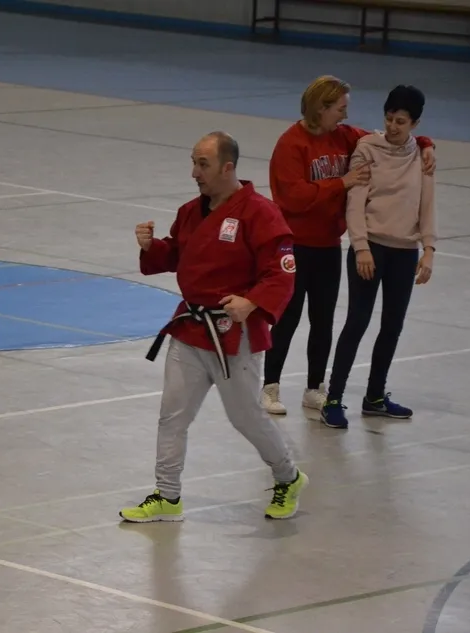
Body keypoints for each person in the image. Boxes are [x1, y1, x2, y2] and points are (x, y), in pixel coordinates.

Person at [119, 131, 307, 523]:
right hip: (191, 329)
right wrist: (152, 247)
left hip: (232, 335)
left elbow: (282, 273)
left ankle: (288, 476)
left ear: (228, 167)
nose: (194, 173)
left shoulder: (260, 212)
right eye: (193, 163)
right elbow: (179, 254)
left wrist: (252, 302)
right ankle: (167, 495)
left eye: (202, 164)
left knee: (245, 417)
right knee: (172, 415)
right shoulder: (191, 211)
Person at [261, 75, 436, 416]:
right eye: (340, 108)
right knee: (289, 317)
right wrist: (340, 183)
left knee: (323, 319)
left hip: (327, 244)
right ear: (321, 108)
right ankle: (270, 385)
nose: (345, 115)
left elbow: (389, 138)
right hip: (294, 245)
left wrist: (426, 142)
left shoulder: (344, 137)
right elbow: (293, 197)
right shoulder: (291, 143)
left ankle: (314, 387)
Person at [320, 85, 436, 429]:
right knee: (357, 322)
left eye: (401, 121)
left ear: (415, 123)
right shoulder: (367, 148)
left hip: (404, 252)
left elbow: (427, 205)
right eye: (388, 118)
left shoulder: (423, 156)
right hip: (370, 249)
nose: (393, 126)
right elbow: (355, 202)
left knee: (392, 326)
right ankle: (334, 399)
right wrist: (361, 247)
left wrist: (428, 249)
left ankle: (374, 397)